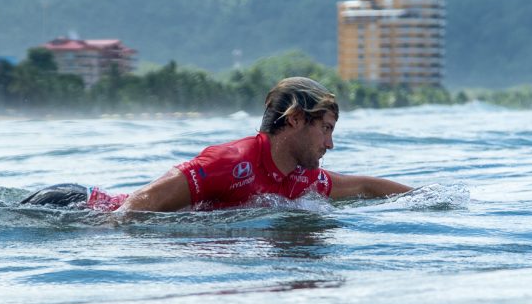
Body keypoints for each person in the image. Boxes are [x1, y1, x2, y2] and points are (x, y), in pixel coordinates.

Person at [21, 77, 411, 212]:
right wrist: (107, 234)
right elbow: (144, 202)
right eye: (326, 129)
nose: (330, 143)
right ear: (295, 120)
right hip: (73, 205)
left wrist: (427, 197)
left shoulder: (302, 179)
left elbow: (362, 186)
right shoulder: (233, 160)